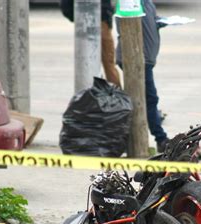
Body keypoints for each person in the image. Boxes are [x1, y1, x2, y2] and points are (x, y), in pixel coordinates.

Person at [116, 0, 169, 153]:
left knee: (145, 100)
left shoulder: (148, 3)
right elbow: (124, 22)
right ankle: (160, 138)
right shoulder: (131, 2)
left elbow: (149, 21)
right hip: (137, 58)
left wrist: (159, 22)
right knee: (149, 99)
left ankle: (157, 138)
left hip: (145, 58)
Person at [60, 0, 121, 87]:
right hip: (101, 18)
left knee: (88, 64)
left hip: (83, 17)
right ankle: (116, 96)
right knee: (108, 65)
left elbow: (66, 6)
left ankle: (92, 93)